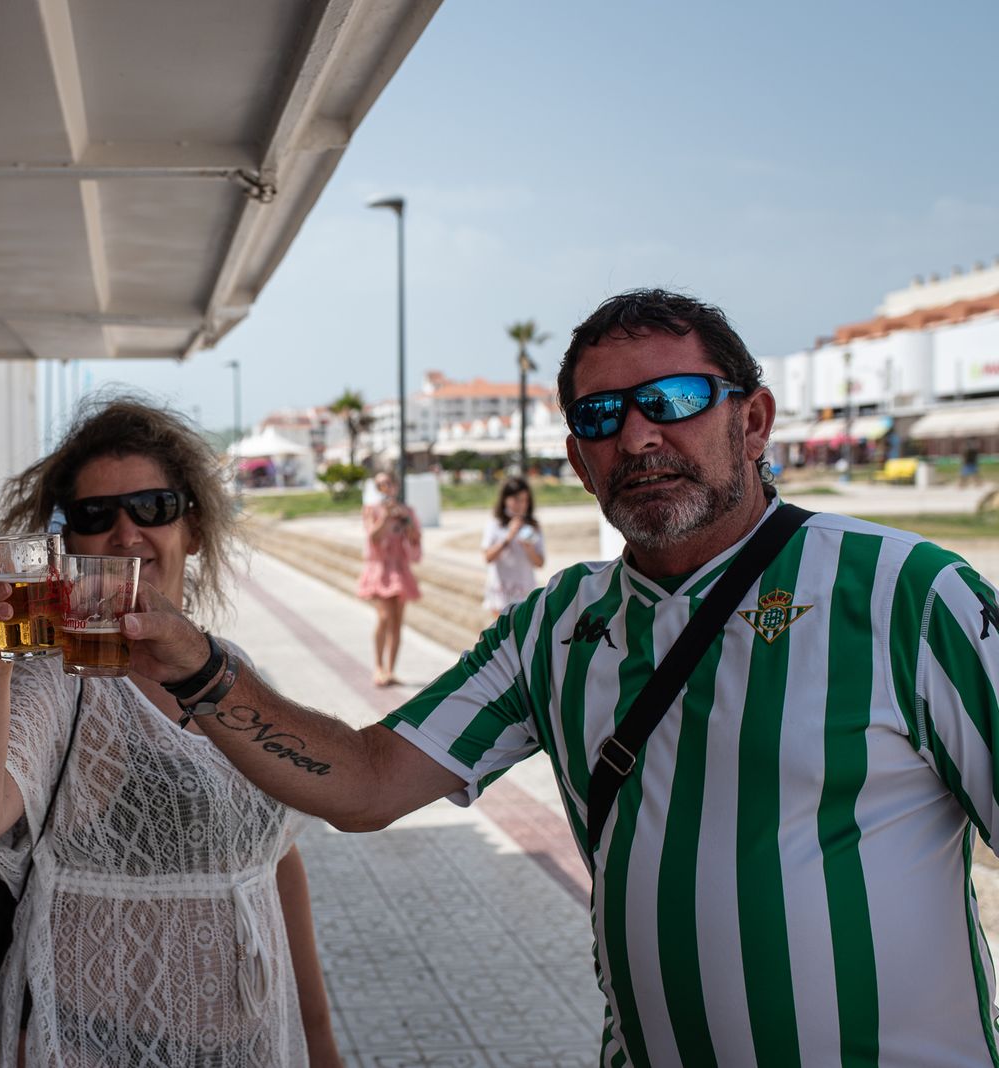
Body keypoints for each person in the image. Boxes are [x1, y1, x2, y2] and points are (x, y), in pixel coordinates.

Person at [117, 288, 999, 1065]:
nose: (640, 435)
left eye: (676, 398)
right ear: (579, 461)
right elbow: (367, 784)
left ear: (754, 420)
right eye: (601, 416)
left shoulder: (906, 597)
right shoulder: (559, 626)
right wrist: (193, 662)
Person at [0, 398, 338, 1067]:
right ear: (69, 544)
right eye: (95, 516)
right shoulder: (57, 675)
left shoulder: (234, 669)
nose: (125, 534)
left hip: (253, 1047)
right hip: (93, 1044)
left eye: (151, 507)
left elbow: (277, 861)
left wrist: (320, 1043)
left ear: (193, 528)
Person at [354, 470, 422, 685]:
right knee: (383, 617)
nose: (385, 488)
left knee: (397, 621)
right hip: (380, 569)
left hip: (400, 569)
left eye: (388, 483)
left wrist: (406, 519)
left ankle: (391, 670)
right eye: (380, 484)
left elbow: (415, 539)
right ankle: (378, 667)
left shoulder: (407, 511)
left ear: (395, 485)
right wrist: (385, 516)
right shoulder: (372, 510)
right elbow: (372, 538)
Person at [480, 476, 544, 613]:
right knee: (502, 631)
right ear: (505, 500)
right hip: (501, 592)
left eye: (525, 500)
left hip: (525, 592)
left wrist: (529, 548)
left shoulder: (533, 526)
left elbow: (540, 563)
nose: (521, 505)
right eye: (516, 500)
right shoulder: (495, 525)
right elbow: (487, 557)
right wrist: (507, 538)